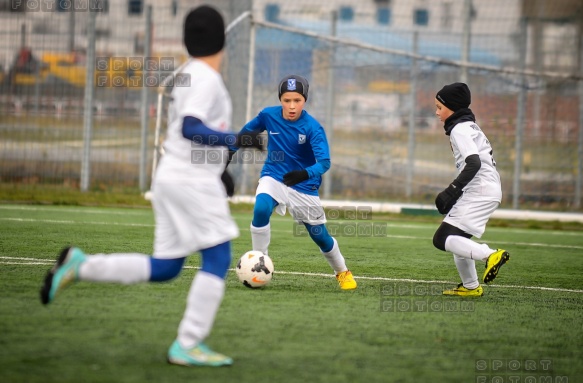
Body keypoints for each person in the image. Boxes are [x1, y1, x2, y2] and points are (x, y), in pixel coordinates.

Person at [40, 5, 262, 367]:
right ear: (223, 40)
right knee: (219, 256)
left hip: (174, 175)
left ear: (186, 41)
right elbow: (192, 128)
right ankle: (188, 343)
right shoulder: (206, 78)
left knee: (166, 267)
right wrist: (236, 138)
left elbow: (185, 135)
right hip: (187, 181)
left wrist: (219, 170)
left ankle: (81, 266)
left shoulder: (188, 73)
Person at [232, 74, 357, 290]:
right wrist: (228, 153)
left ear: (305, 100)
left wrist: (304, 174)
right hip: (274, 176)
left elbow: (325, 162)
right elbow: (243, 135)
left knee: (320, 236)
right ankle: (260, 262)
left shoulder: (312, 127)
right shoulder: (268, 115)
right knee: (261, 208)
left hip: (304, 185)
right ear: (280, 99)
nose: (291, 106)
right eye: (286, 100)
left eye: (297, 101)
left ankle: (342, 272)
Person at [432, 82, 509, 297]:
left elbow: (473, 163)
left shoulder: (459, 129)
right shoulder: (468, 126)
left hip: (480, 190)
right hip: (487, 189)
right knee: (457, 235)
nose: (436, 112)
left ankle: (490, 255)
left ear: (453, 108)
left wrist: (452, 190)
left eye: (439, 107)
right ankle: (471, 287)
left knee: (442, 238)